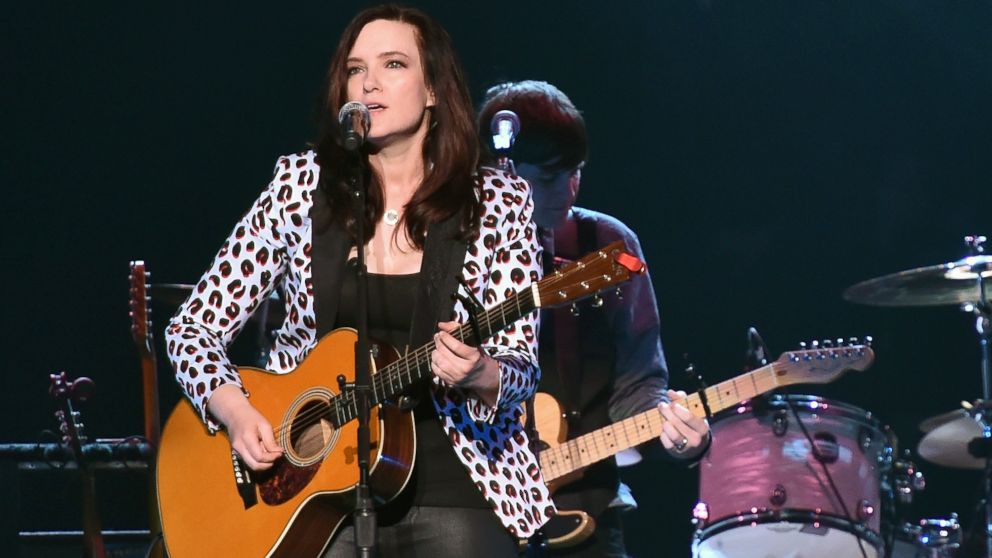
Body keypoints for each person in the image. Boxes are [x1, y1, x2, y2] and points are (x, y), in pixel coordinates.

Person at [165, 6, 553, 557]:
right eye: (355, 69)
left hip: (455, 477)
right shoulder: (300, 186)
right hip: (314, 492)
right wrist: (235, 411)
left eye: (393, 64)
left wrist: (482, 372)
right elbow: (191, 329)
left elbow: (521, 370)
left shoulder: (495, 201)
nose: (368, 82)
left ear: (435, 89)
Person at [478, 80, 711, 557]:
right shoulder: (444, 248)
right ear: (495, 172)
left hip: (587, 506)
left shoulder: (609, 245)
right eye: (546, 177)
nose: (567, 189)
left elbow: (638, 382)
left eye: (575, 172)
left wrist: (678, 435)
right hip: (470, 509)